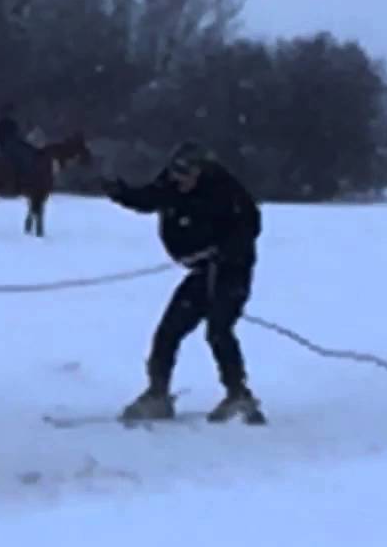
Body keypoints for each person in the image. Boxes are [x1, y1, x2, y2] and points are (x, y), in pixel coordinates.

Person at [100, 141, 266, 424]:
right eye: (176, 174)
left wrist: (226, 250)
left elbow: (251, 225)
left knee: (219, 330)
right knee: (168, 332)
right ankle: (158, 395)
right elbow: (148, 198)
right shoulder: (171, 184)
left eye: (186, 175)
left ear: (200, 172)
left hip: (232, 272)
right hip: (201, 273)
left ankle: (239, 394)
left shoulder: (225, 190)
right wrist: (120, 192)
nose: (180, 181)